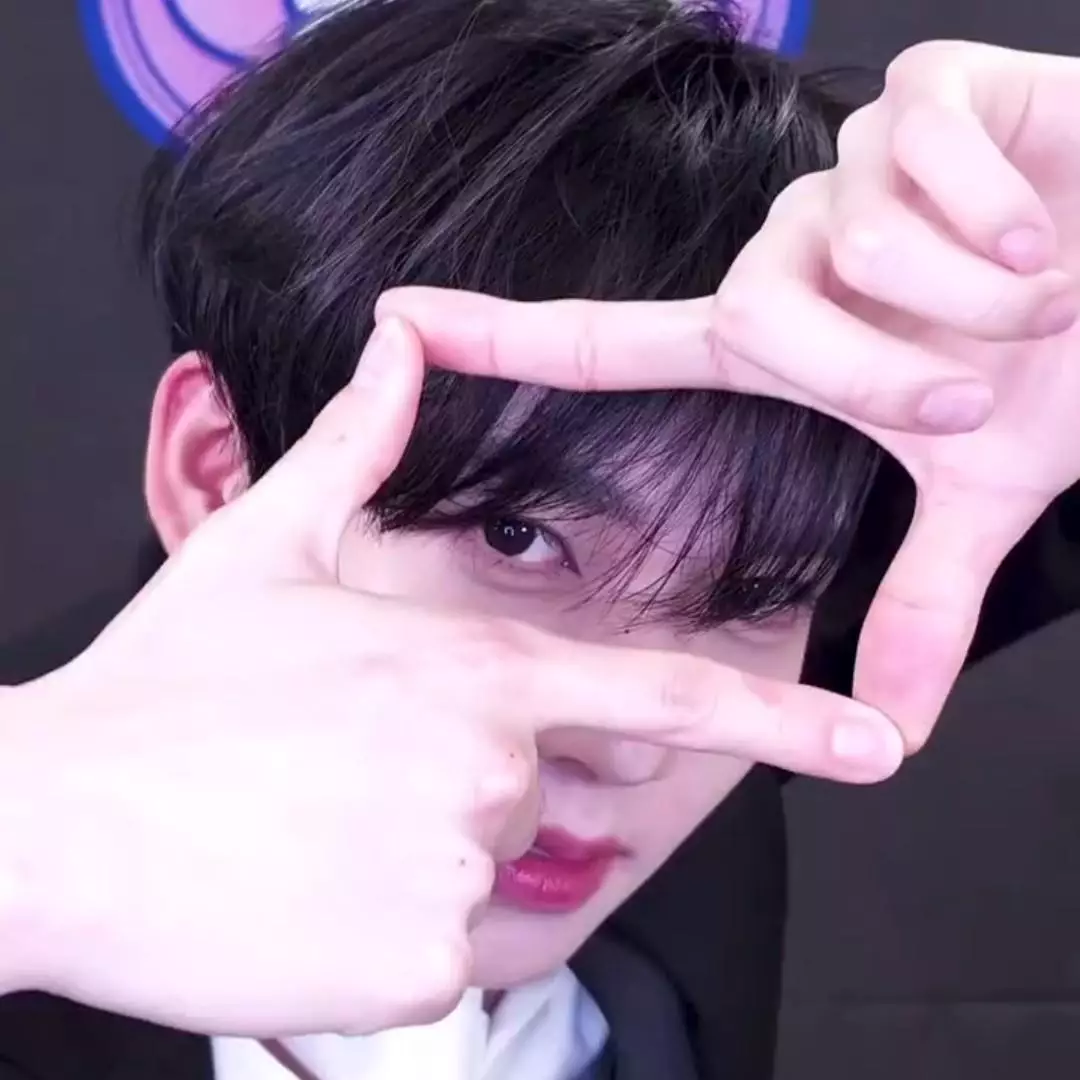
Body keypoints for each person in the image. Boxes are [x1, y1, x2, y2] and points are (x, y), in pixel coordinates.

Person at [0, 2, 1076, 1073]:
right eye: (517, 538)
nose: (629, 751)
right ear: (215, 473)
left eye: (755, 594)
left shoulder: (726, 723)